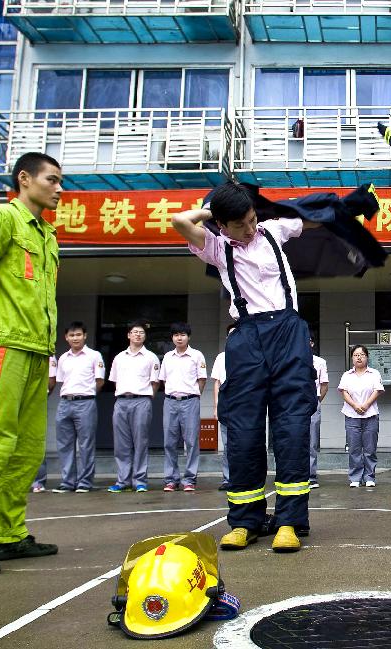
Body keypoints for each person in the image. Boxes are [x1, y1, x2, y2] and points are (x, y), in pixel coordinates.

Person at [172, 181, 319, 554]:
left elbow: (311, 218)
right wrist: (212, 210)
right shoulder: (217, 248)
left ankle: (289, 521)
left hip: (288, 331)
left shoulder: (273, 231)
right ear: (221, 225)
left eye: (252, 219)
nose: (250, 228)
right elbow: (179, 220)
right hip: (247, 336)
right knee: (244, 431)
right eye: (240, 224)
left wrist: (338, 211)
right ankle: (244, 521)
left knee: (292, 428)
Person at [0, 152, 62, 577]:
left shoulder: (48, 236)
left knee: (27, 449)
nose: (59, 189)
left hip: (38, 350)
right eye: (52, 180)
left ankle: (7, 535)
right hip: (5, 346)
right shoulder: (4, 220)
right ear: (25, 179)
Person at [50, 321, 105, 494]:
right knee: (64, 444)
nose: (75, 338)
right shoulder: (63, 358)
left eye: (78, 334)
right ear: (66, 337)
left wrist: (86, 395)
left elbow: (100, 381)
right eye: (72, 335)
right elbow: (60, 381)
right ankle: (67, 482)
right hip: (65, 403)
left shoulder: (94, 356)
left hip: (86, 403)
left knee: (86, 444)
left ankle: (85, 482)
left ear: (85, 336)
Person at [107, 321, 160, 494]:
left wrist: (146, 397)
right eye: (134, 332)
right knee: (121, 444)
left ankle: (140, 481)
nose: (138, 335)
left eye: (141, 332)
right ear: (128, 335)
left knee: (140, 442)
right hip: (121, 401)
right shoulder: (119, 357)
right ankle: (122, 481)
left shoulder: (151, 357)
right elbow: (113, 380)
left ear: (145, 336)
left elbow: (155, 382)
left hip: (141, 401)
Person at [159, 322, 207, 493]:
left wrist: (193, 396)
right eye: (176, 335)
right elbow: (163, 379)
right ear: (172, 337)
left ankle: (189, 479)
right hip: (170, 401)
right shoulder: (167, 357)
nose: (179, 338)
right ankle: (171, 479)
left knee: (192, 441)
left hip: (190, 401)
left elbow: (202, 380)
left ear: (189, 337)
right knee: (169, 442)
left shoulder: (196, 355)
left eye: (183, 335)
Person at [338, 345, 384, 488]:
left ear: (367, 357)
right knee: (354, 448)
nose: (359, 357)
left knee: (370, 448)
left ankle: (369, 477)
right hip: (352, 415)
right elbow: (344, 392)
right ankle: (355, 477)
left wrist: (365, 405)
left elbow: (377, 391)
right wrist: (355, 406)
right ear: (352, 358)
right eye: (356, 355)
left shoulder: (374, 373)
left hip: (370, 414)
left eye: (362, 354)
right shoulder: (347, 375)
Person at [211, 324, 235, 491]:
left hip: (244, 404)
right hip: (226, 403)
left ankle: (244, 477)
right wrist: (216, 406)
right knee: (227, 444)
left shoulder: (251, 354)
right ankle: (228, 478)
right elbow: (217, 383)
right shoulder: (221, 357)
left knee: (245, 442)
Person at [31, 355, 58, 493]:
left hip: (36, 401)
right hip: (12, 400)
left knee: (36, 441)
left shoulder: (48, 356)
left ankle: (38, 482)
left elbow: (51, 382)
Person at [308, 333, 329, 489]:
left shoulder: (320, 362)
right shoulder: (291, 359)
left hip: (313, 400)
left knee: (312, 440)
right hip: (294, 402)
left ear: (312, 343)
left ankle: (311, 475)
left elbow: (324, 385)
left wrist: (316, 401)